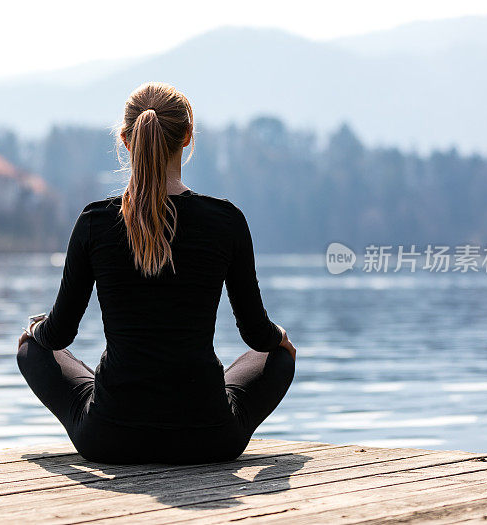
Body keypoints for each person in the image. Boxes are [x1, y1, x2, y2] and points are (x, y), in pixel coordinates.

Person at [17, 82, 296, 464]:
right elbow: (257, 335)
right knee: (280, 354)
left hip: (110, 437)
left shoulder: (96, 222)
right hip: (210, 438)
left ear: (126, 141)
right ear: (187, 136)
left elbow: (59, 334)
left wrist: (35, 330)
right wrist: (280, 337)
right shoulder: (225, 220)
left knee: (30, 349)